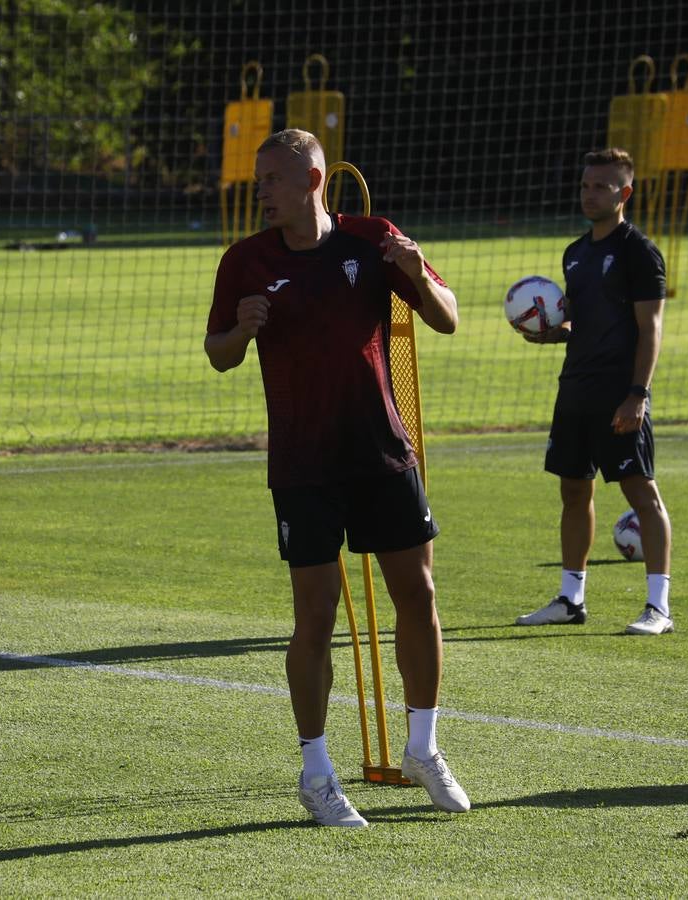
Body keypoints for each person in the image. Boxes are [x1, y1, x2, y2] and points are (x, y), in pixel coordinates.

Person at [204, 129, 468, 827]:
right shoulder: (244, 261)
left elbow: (447, 319)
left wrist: (416, 273)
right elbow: (218, 355)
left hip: (383, 453)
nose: (260, 191)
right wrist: (241, 330)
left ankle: (422, 748)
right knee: (315, 615)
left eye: (272, 179)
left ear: (313, 180)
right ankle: (317, 773)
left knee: (419, 595)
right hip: (303, 466)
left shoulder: (372, 239)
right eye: (258, 179)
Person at [515, 147, 674, 636]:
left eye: (601, 187)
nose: (590, 194)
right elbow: (581, 322)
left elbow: (650, 329)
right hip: (575, 389)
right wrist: (553, 333)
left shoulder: (639, 252)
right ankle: (571, 598)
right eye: (585, 185)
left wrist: (637, 394)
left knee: (640, 492)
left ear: (625, 193)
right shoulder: (576, 253)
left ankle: (659, 608)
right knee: (572, 489)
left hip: (619, 393)